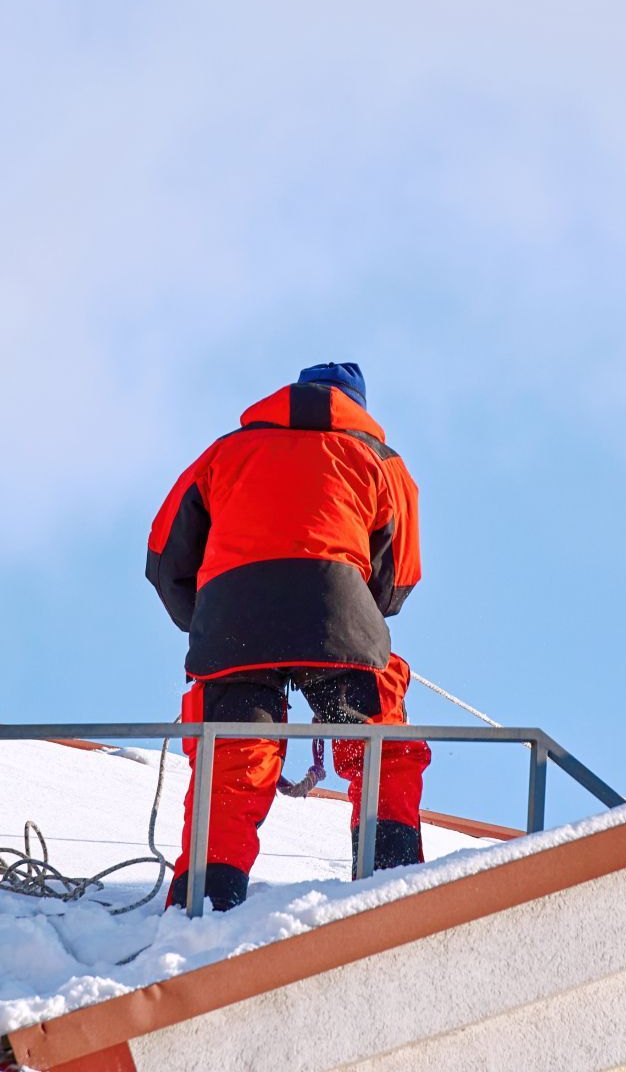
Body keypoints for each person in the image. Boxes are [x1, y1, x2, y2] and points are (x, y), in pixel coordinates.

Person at [147, 362, 430, 912]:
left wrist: (206, 619)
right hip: (339, 615)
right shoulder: (380, 459)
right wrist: (357, 618)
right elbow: (400, 574)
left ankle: (204, 906)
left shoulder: (223, 453)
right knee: (379, 748)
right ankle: (390, 887)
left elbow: (164, 556)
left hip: (232, 621)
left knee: (231, 761)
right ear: (357, 406)